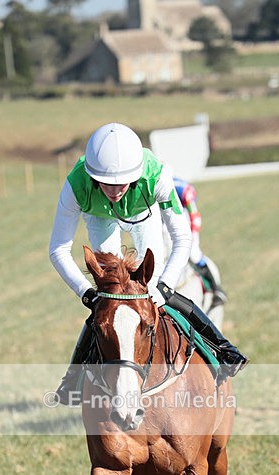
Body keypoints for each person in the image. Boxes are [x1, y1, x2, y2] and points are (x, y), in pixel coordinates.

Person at [49, 122, 248, 405]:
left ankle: (223, 349)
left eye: (121, 183)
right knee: (108, 302)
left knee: (154, 291)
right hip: (99, 217)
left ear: (135, 175)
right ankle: (73, 379)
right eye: (106, 183)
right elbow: (58, 249)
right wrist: (87, 293)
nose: (114, 191)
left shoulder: (156, 176)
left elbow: (182, 238)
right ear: (93, 176)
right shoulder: (76, 184)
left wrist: (164, 285)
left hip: (144, 212)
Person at [172, 176, 227, 306]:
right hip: (165, 224)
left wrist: (192, 235)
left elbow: (194, 214)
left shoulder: (179, 188)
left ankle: (216, 289)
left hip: (186, 223)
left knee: (194, 254)